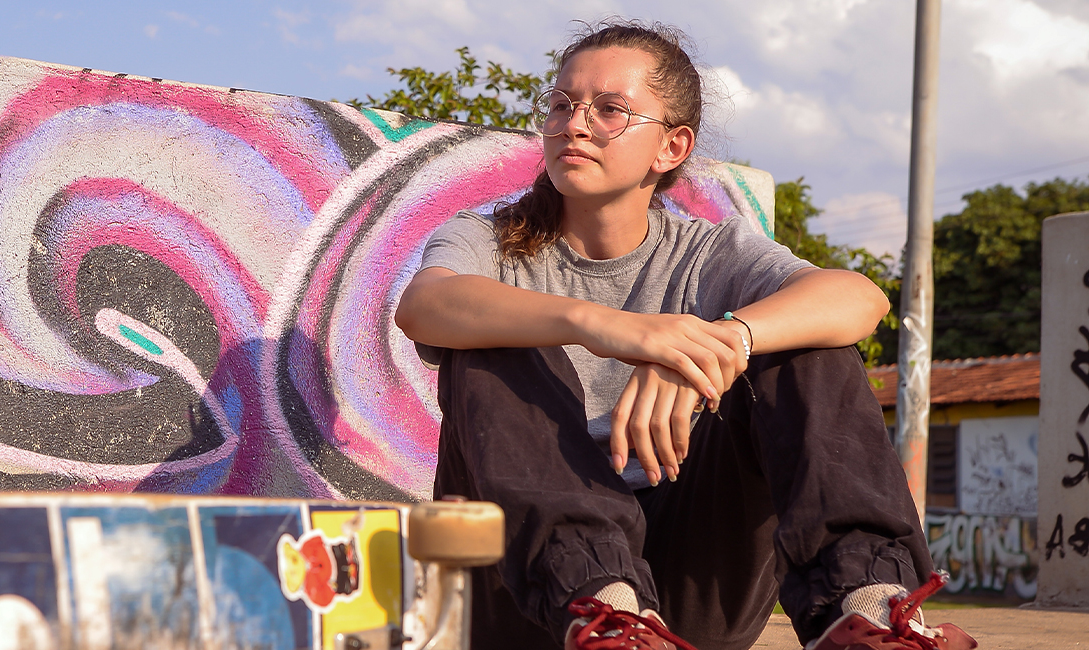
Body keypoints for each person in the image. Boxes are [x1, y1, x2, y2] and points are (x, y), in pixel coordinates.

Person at [394, 19, 977, 650]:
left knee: (802, 342)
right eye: (561, 104)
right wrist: (614, 330)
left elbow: (860, 297)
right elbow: (426, 305)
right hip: (534, 598)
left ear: (671, 147)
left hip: (691, 590)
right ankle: (609, 612)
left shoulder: (709, 251)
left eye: (610, 109)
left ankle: (863, 611)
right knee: (495, 332)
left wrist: (713, 344)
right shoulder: (487, 240)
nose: (573, 123)